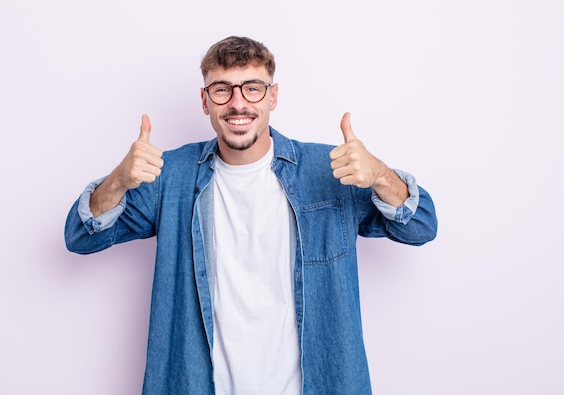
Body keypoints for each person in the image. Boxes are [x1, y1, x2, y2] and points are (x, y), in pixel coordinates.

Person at [64, 36, 437, 395]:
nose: (238, 103)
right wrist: (118, 181)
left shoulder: (329, 170)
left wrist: (381, 176)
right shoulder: (169, 177)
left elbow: (421, 226)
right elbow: (80, 237)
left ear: (273, 96)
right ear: (205, 100)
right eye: (222, 89)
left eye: (252, 88)